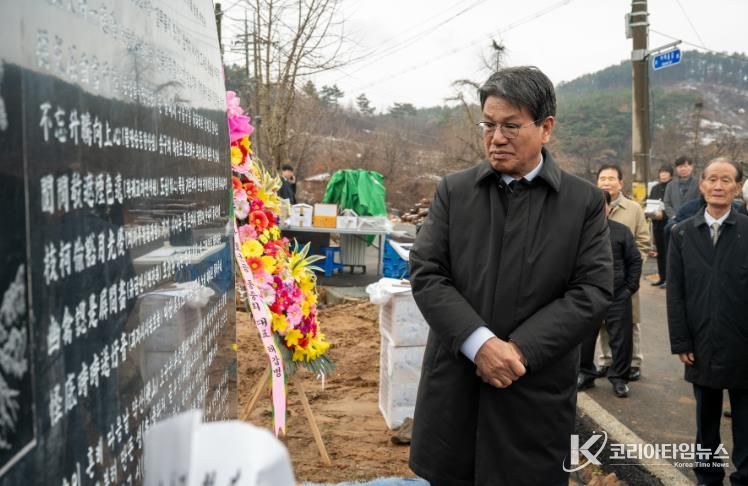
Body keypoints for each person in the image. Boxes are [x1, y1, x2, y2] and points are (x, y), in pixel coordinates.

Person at [408, 66, 613, 486]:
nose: (496, 137)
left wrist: (517, 350)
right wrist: (479, 344)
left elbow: (591, 291)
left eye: (511, 126)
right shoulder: (455, 192)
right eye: (489, 125)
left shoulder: (583, 203)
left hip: (533, 396)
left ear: (546, 128)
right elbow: (428, 272)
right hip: (457, 396)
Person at [667, 157, 748, 486]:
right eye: (712, 179)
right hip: (701, 342)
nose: (718, 185)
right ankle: (707, 477)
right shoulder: (682, 233)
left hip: (743, 342)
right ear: (701, 184)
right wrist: (681, 341)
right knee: (706, 419)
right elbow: (676, 293)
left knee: (746, 420)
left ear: (738, 187)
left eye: (726, 180)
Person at [578, 190, 641, 397]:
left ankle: (619, 379)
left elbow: (635, 261)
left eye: (602, 205)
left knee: (621, 339)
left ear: (609, 208)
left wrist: (629, 288)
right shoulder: (581, 231)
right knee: (584, 338)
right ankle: (585, 374)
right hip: (589, 295)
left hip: (618, 294)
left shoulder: (622, 231)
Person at [595, 164, 649, 382]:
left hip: (624, 278)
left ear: (620, 183)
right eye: (602, 178)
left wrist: (631, 271)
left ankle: (633, 362)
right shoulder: (593, 204)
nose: (606, 182)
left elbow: (643, 242)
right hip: (600, 278)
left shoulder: (633, 209)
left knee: (630, 323)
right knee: (601, 323)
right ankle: (606, 360)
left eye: (611, 178)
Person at [647, 165, 673, 287]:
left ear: (671, 174)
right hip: (656, 223)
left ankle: (670, 279)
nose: (663, 175)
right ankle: (662, 278)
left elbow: (672, 205)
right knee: (660, 252)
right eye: (661, 172)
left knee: (669, 252)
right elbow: (649, 202)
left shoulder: (673, 187)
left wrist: (664, 213)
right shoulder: (655, 188)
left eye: (666, 172)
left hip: (669, 223)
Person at [663, 155, 700, 221]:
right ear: (676, 168)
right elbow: (666, 203)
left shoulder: (699, 184)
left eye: (685, 166)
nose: (683, 169)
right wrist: (674, 216)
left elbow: (702, 202)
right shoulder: (670, 185)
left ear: (691, 167)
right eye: (680, 167)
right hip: (674, 221)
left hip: (694, 221)